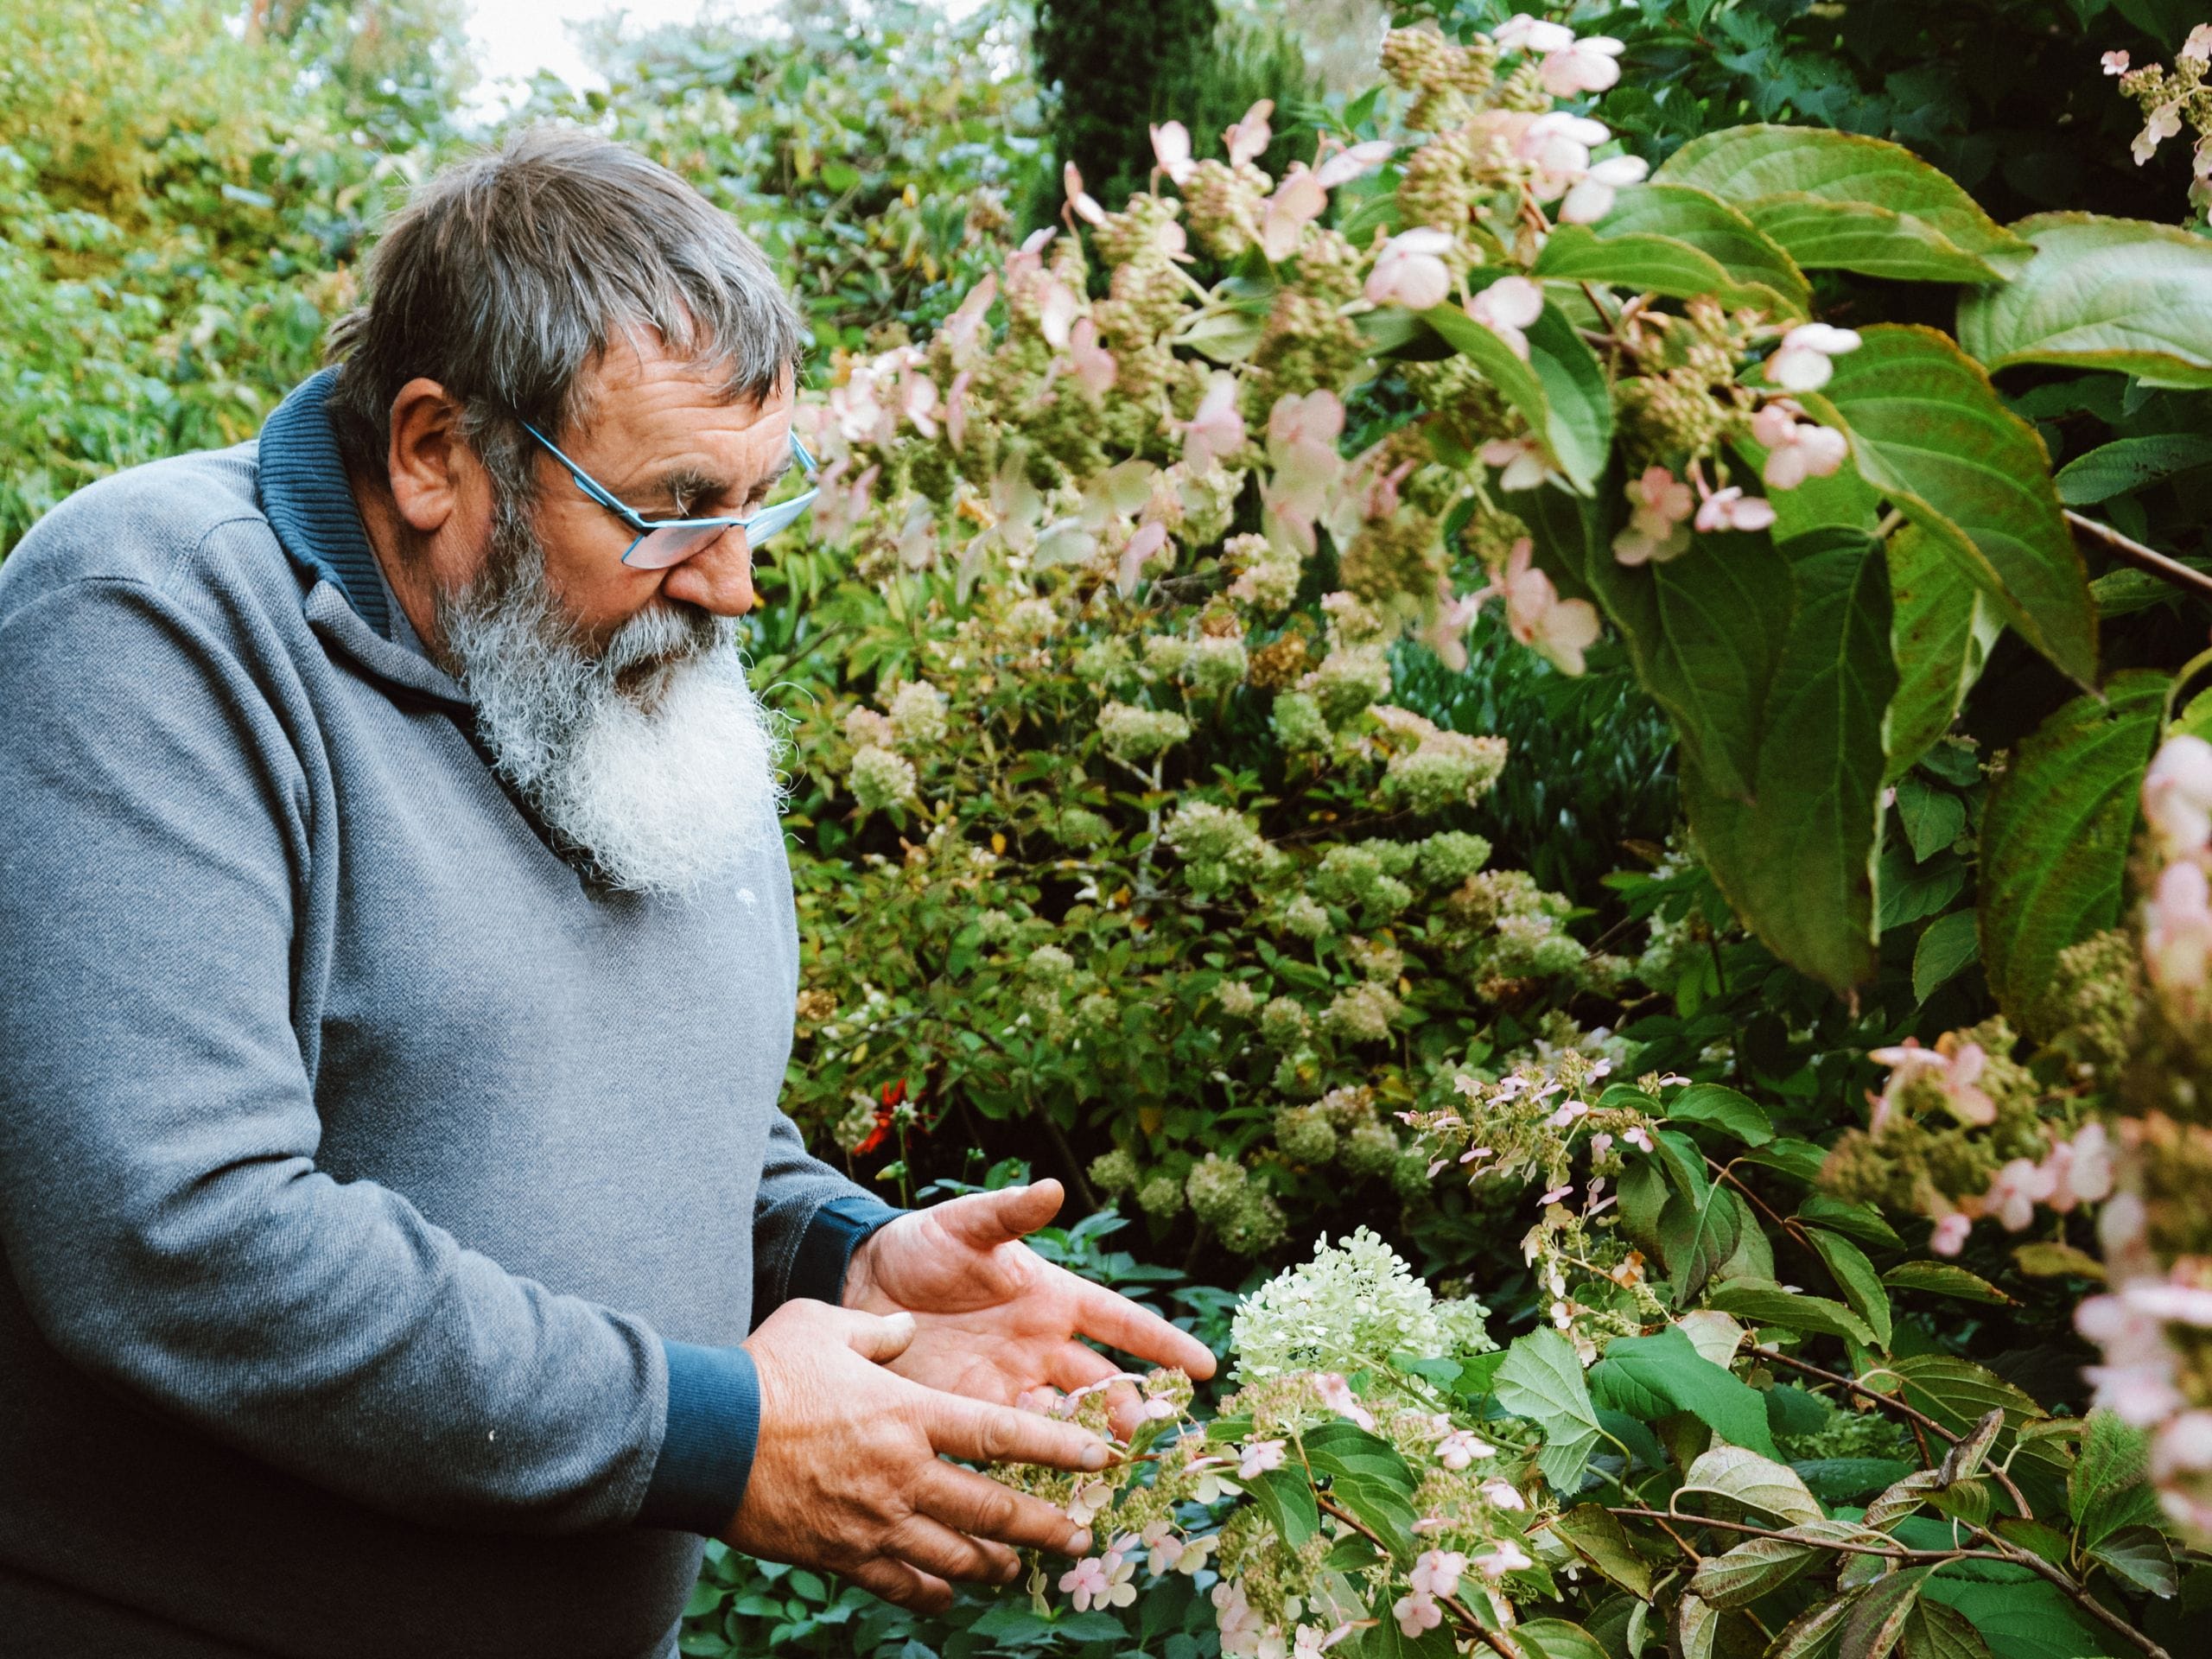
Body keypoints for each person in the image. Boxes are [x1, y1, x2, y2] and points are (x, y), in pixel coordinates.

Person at [0, 127, 1214, 1657]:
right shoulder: (154, 624)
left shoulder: (622, 669)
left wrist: (834, 1251)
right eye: (674, 506)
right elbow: (173, 1237)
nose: (734, 583)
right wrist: (716, 1433)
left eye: (760, 503)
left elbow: (636, 1109)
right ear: (437, 451)